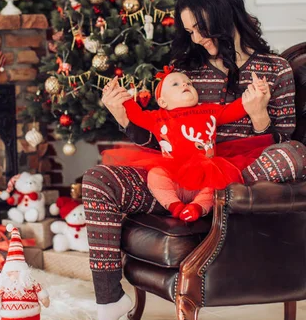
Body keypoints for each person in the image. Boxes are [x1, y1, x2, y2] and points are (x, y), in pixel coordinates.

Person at [83, 0, 306, 320]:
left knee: (296, 154)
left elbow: (282, 139)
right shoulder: (186, 71)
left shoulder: (274, 68)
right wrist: (126, 119)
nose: (198, 39)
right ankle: (109, 299)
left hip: (242, 171)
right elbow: (162, 142)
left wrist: (259, 116)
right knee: (99, 179)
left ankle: (215, 197)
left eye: (201, 28)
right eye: (190, 32)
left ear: (225, 14)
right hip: (180, 176)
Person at [104, 69, 272, 223]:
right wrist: (121, 96)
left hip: (205, 171)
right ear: (162, 101)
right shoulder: (157, 117)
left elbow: (235, 109)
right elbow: (134, 114)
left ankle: (197, 207)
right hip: (174, 174)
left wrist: (256, 91)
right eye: (176, 84)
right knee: (155, 175)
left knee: (216, 184)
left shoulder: (209, 111)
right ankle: (174, 205)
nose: (185, 84)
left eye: (189, 83)